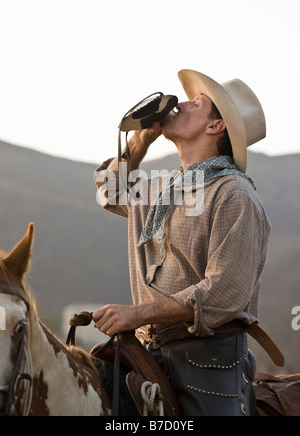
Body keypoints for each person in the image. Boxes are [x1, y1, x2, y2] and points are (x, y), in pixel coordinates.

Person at [93, 69, 271, 416]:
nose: (178, 103)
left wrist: (136, 313)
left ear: (215, 126)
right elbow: (108, 190)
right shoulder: (161, 187)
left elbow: (222, 293)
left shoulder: (234, 193)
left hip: (208, 359)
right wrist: (140, 141)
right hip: (148, 351)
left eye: (196, 103)